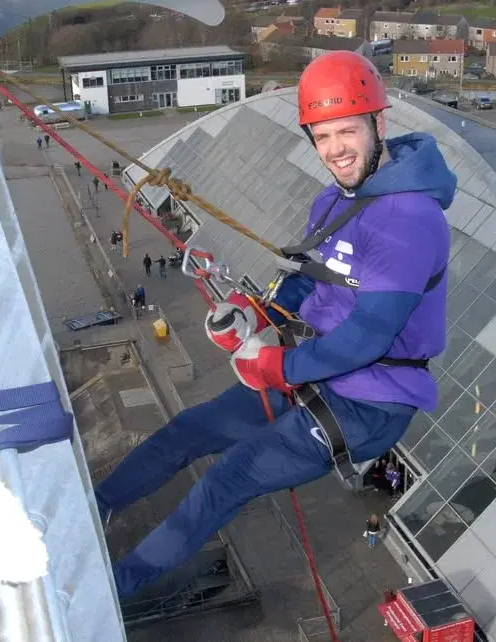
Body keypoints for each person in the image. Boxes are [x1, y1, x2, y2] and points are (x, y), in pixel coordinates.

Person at [94, 50, 455, 600]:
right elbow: (310, 280)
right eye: (322, 136)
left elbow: (368, 337)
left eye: (346, 131)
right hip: (315, 377)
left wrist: (276, 366)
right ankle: (92, 506)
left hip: (367, 403)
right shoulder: (335, 201)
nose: (334, 150)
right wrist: (256, 315)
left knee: (228, 479)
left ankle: (110, 590)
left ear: (379, 125)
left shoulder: (409, 221)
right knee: (185, 432)